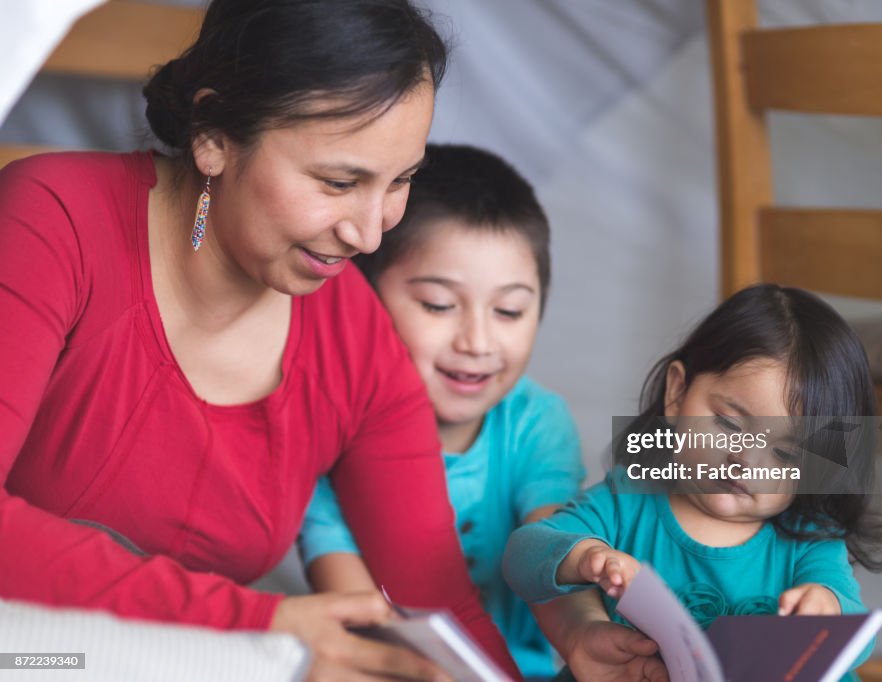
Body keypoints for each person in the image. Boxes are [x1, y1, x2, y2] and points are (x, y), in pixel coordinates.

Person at [0, 1, 521, 679]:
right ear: (214, 133)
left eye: (401, 182)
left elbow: (438, 602)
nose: (369, 234)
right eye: (339, 182)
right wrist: (259, 625)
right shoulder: (53, 221)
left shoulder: (354, 338)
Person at [502, 284, 882, 682]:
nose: (746, 461)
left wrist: (826, 608)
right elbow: (522, 553)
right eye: (728, 423)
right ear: (677, 393)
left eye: (786, 454)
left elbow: (860, 640)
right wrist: (583, 555)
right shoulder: (628, 500)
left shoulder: (810, 541)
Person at [299, 143, 586, 679]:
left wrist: (591, 628)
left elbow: (553, 555)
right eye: (438, 304)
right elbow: (351, 601)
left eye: (509, 310)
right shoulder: (328, 429)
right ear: (362, 296)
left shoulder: (537, 424)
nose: (477, 341)